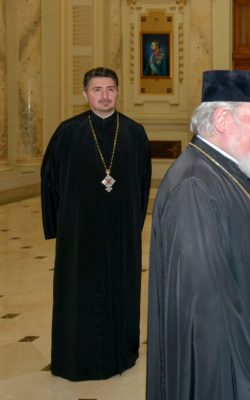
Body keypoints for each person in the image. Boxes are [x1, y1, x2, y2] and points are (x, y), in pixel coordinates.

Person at [146, 70, 250, 399]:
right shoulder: (194, 186)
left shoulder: (239, 168)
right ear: (222, 119)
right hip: (237, 375)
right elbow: (208, 311)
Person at [41, 67, 151, 381]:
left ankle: (121, 354)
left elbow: (142, 183)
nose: (105, 96)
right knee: (79, 290)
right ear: (85, 94)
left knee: (121, 289)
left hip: (121, 230)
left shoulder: (134, 132)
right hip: (79, 232)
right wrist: (58, 227)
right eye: (97, 89)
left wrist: (133, 223)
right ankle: (75, 355)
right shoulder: (68, 132)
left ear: (118, 92)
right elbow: (49, 179)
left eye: (110, 89)